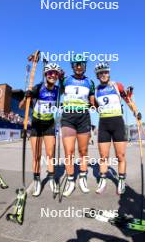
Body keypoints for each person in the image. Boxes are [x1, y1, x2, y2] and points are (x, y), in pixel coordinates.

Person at [94, 62, 141, 195]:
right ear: (98, 75)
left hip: (117, 123)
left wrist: (136, 112)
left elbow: (128, 100)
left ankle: (121, 180)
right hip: (103, 124)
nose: (104, 74)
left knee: (120, 155)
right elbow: (96, 107)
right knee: (103, 156)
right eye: (101, 73)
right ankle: (102, 179)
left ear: (109, 73)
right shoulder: (96, 89)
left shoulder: (117, 85)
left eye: (106, 72)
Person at [19, 63, 62, 196]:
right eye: (50, 73)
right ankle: (37, 180)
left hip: (49, 125)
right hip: (37, 125)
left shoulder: (58, 90)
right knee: (36, 156)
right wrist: (26, 96)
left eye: (55, 73)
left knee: (50, 155)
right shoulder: (38, 88)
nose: (53, 75)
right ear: (45, 75)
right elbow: (21, 107)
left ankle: (51, 179)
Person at [60, 54, 95, 197]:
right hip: (68, 117)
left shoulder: (90, 82)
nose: (79, 66)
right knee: (69, 152)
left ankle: (82, 178)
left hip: (83, 118)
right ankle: (70, 181)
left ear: (85, 66)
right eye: (76, 64)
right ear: (73, 66)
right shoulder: (65, 80)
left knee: (83, 151)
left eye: (81, 64)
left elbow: (93, 102)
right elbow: (55, 90)